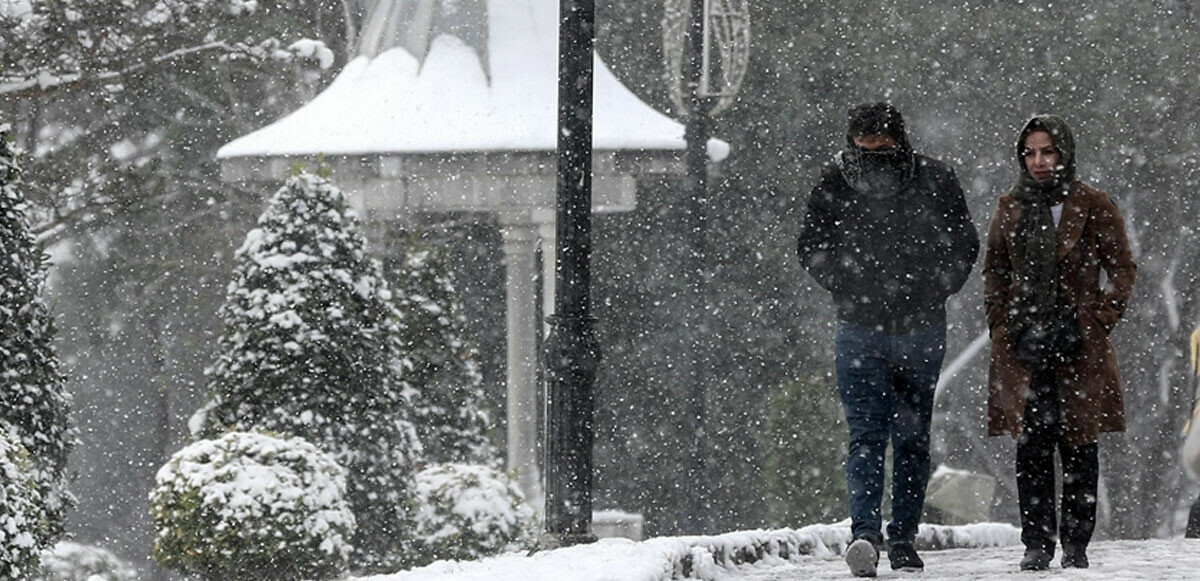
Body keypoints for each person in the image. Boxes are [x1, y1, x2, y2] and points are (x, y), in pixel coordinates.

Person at [796, 102, 979, 577]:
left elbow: (963, 245)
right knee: (873, 436)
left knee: (903, 438)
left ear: (898, 139)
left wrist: (930, 286)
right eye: (865, 145)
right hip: (866, 326)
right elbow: (812, 245)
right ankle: (870, 535)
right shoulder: (836, 181)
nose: (873, 154)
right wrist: (851, 284)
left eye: (881, 144)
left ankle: (896, 536)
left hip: (910, 326)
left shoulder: (935, 180)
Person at [983, 114, 1136, 571]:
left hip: (1078, 346)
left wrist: (1095, 320)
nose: (1039, 161)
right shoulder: (1009, 206)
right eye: (1030, 152)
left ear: (1064, 152)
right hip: (1024, 346)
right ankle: (1037, 543)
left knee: (1079, 445)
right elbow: (995, 272)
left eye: (1047, 151)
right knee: (1031, 446)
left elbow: (1123, 269)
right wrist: (1003, 325)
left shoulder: (1092, 203)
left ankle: (1076, 544)